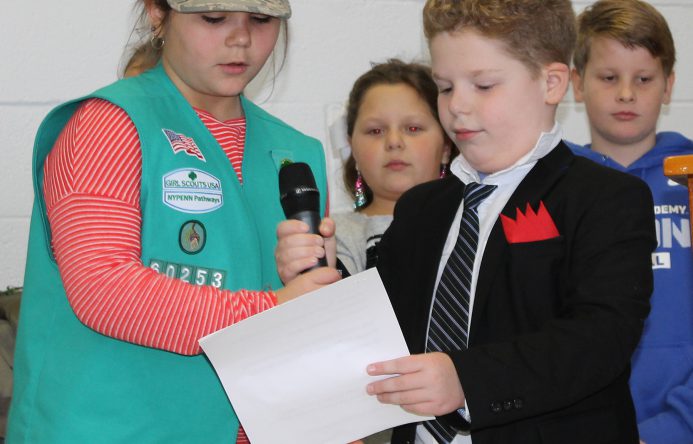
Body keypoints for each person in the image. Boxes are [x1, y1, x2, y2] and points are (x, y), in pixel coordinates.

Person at [277, 0, 656, 442]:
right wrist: (323, 274)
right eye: (444, 87)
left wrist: (466, 380)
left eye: (483, 85)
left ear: (551, 82)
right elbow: (383, 331)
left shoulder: (605, 198)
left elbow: (600, 339)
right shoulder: (421, 208)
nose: (457, 105)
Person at [7, 0, 339, 443]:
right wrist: (273, 311)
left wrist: (315, 292)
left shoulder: (295, 152)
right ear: (158, 14)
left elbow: (301, 324)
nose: (240, 38)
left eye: (261, 20)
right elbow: (103, 288)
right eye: (214, 18)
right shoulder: (107, 125)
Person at [569, 1, 693, 443]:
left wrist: (678, 427)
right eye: (608, 78)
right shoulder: (556, 187)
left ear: (668, 86)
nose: (626, 94)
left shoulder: (691, 176)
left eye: (643, 79)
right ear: (577, 84)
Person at [335, 59, 453, 277]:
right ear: (353, 149)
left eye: (413, 128)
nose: (394, 141)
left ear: (446, 147)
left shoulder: (471, 224)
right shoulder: (334, 237)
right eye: (376, 131)